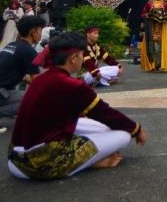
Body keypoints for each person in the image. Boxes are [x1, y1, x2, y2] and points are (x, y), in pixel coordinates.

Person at [8, 32, 147, 180]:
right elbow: (105, 113)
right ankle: (89, 163)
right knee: (124, 135)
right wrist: (136, 130)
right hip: (40, 164)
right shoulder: (72, 85)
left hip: (15, 160)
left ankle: (86, 158)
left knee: (103, 126)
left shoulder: (40, 79)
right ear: (73, 58)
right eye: (81, 55)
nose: (83, 58)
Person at [140, 0, 167, 72]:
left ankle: (160, 64)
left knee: (160, 46)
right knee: (152, 46)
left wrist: (166, 17)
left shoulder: (165, 5)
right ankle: (152, 65)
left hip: (162, 28)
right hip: (151, 27)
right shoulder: (149, 4)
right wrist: (148, 15)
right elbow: (143, 14)